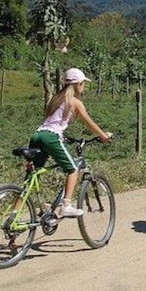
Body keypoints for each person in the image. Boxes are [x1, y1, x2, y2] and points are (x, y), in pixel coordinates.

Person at [29, 68, 112, 218]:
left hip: (38, 135)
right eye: (83, 84)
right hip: (51, 137)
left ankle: (14, 217)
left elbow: (52, 122)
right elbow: (90, 123)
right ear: (79, 84)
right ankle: (66, 205)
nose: (83, 87)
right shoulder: (75, 102)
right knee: (73, 169)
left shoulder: (56, 99)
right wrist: (103, 136)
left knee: (32, 177)